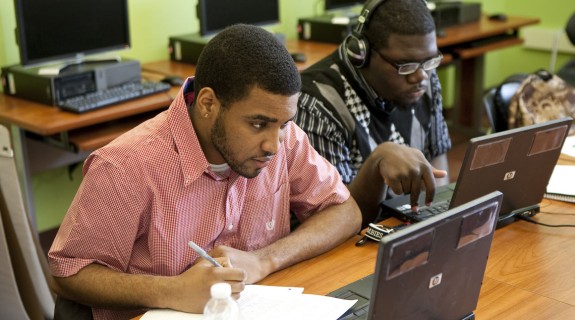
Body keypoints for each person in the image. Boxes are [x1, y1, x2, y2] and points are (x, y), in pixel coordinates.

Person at [48, 24, 361, 319]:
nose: (274, 146)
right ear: (208, 104)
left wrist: (264, 260)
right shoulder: (126, 167)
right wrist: (171, 290)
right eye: (257, 124)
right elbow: (68, 274)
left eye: (285, 123)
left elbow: (344, 211)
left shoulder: (283, 137)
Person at [295, 0, 452, 227]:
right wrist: (376, 166)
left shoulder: (424, 76)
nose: (420, 77)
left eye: (429, 61)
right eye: (405, 65)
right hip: (352, 243)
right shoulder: (317, 104)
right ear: (362, 53)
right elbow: (331, 221)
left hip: (408, 224)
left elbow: (438, 157)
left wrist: (437, 215)